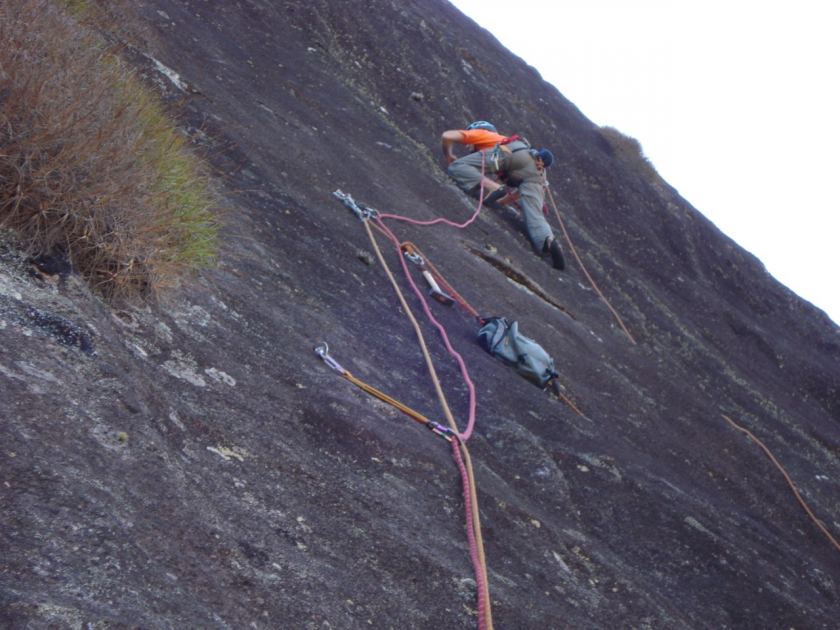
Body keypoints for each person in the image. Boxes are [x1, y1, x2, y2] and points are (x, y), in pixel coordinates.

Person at [441, 121, 565, 270]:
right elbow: (522, 190)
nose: (468, 147)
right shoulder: (529, 154)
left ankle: (491, 186)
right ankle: (548, 241)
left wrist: (448, 155)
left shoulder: (485, 134)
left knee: (457, 166)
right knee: (536, 215)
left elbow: (447, 136)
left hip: (508, 152)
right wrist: (502, 202)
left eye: (469, 145)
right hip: (536, 169)